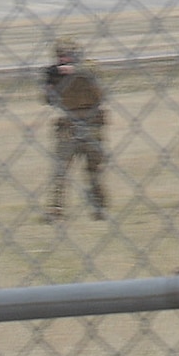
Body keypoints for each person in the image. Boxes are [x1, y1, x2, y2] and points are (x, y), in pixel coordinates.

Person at [42, 38, 108, 220]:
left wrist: (74, 71)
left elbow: (99, 89)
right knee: (60, 170)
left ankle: (99, 208)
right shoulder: (54, 74)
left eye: (67, 55)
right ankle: (56, 210)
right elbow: (48, 99)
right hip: (68, 125)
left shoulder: (89, 69)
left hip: (92, 123)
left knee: (93, 170)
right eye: (60, 56)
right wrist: (53, 82)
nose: (64, 59)